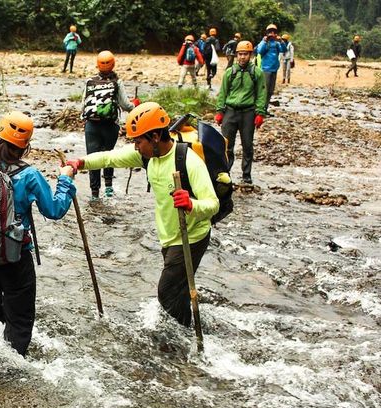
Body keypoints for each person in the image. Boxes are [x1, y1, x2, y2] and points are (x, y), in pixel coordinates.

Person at [65, 102, 219, 327]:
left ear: (155, 137)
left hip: (192, 237)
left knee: (166, 294)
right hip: (169, 236)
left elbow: (212, 204)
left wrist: (191, 205)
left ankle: (182, 341)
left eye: (138, 141)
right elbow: (111, 158)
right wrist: (81, 163)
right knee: (177, 292)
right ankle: (189, 331)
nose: (136, 147)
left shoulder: (188, 161)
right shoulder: (147, 156)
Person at [0, 112, 76, 356]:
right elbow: (55, 210)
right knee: (20, 322)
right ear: (25, 146)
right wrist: (65, 180)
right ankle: (12, 377)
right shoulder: (29, 175)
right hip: (15, 259)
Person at [81, 50, 137, 200]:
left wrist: (85, 120)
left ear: (97, 64)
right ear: (113, 64)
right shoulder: (117, 82)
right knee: (108, 155)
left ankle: (94, 194)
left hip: (91, 125)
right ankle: (108, 188)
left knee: (92, 158)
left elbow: (83, 104)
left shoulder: (89, 81)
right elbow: (125, 104)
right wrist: (135, 106)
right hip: (110, 126)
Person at [214, 41, 267, 185]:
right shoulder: (230, 72)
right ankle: (225, 173)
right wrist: (219, 111)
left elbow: (262, 94)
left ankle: (246, 174)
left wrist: (260, 114)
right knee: (226, 145)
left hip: (248, 113)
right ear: (236, 55)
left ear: (250, 55)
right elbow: (223, 93)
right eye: (240, 54)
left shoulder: (257, 73)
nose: (242, 57)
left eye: (245, 54)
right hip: (230, 112)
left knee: (247, 145)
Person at [256, 24, 287, 114]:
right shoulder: (264, 42)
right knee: (264, 90)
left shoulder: (277, 43)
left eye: (274, 32)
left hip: (274, 69)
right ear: (267, 33)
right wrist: (265, 41)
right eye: (270, 32)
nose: (272, 33)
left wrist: (281, 41)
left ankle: (265, 109)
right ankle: (260, 109)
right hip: (266, 69)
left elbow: (284, 50)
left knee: (270, 90)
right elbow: (259, 51)